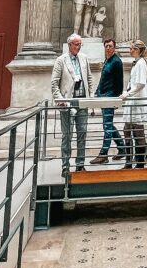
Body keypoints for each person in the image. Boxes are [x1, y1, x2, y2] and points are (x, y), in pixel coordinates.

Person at [51, 33, 93, 177]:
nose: (78, 46)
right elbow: (54, 83)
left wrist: (91, 96)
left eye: (80, 44)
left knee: (82, 134)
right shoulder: (60, 60)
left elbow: (89, 78)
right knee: (67, 136)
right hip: (67, 103)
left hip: (82, 101)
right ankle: (65, 166)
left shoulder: (84, 58)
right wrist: (60, 99)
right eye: (76, 44)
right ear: (69, 45)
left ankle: (80, 165)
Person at [90, 38, 126, 165]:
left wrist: (115, 99)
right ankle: (122, 148)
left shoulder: (117, 61)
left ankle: (103, 154)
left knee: (107, 126)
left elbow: (119, 82)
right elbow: (103, 79)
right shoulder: (107, 60)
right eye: (106, 46)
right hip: (103, 96)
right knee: (108, 124)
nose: (108, 48)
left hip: (110, 97)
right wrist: (97, 91)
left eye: (110, 46)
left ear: (114, 47)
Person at [121, 40, 147, 169]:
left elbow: (140, 84)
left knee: (138, 132)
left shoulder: (141, 63)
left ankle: (140, 163)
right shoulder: (138, 63)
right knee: (127, 130)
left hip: (137, 101)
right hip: (133, 100)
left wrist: (128, 94)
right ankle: (130, 162)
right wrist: (127, 91)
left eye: (132, 49)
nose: (130, 51)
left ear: (138, 50)